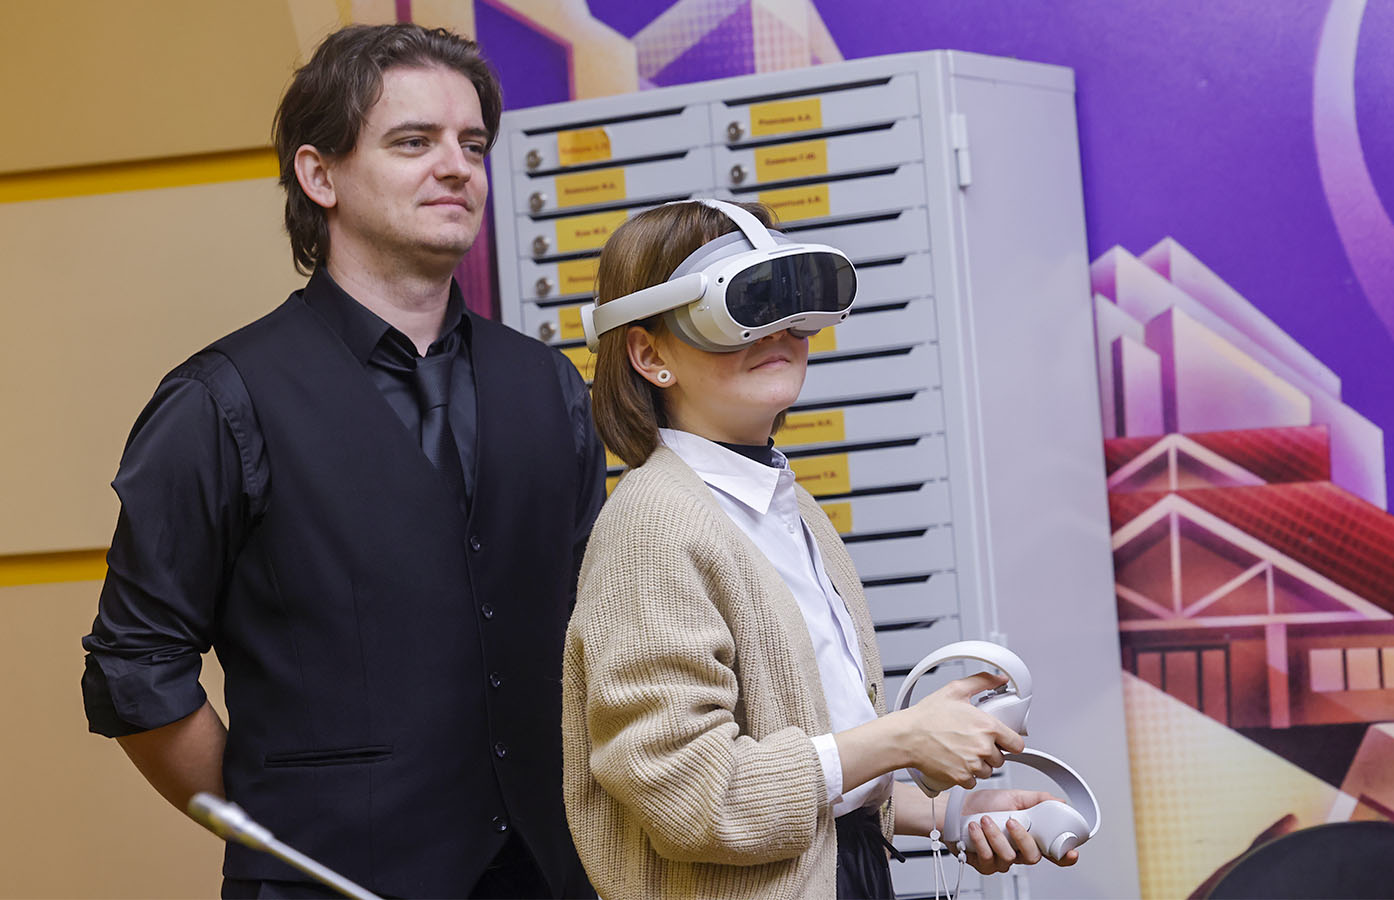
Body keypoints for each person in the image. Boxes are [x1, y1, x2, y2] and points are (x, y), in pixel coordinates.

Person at [80, 24, 604, 899]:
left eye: (473, 145)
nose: (457, 168)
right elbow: (134, 668)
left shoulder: (548, 385)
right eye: (414, 142)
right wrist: (274, 834)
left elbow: (601, 631)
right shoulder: (220, 400)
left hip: (553, 878)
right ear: (319, 175)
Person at [562, 199, 1080, 898]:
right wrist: (904, 738)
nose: (777, 330)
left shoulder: (789, 506)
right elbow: (696, 798)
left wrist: (950, 815)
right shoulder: (652, 527)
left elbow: (816, 772)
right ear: (651, 355)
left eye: (789, 303)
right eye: (743, 307)